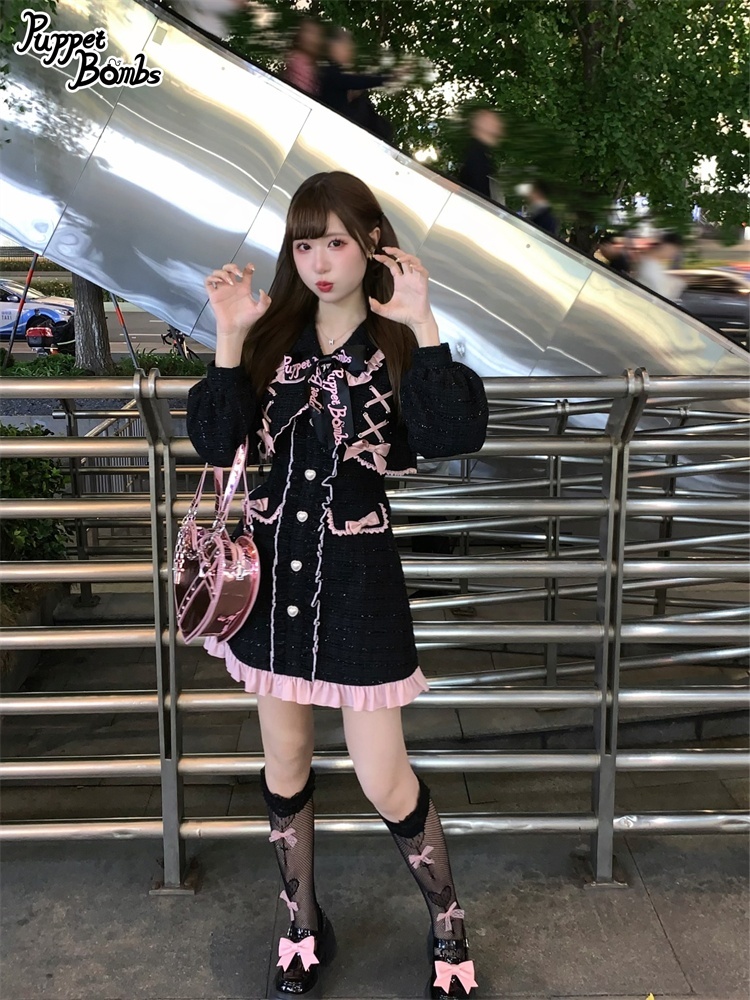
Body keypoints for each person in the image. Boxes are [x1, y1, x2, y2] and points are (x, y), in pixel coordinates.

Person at [186, 171, 488, 999]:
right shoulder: (269, 337)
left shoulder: (396, 341)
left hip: (359, 587)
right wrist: (228, 336)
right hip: (269, 585)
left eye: (337, 242)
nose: (319, 262)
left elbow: (454, 433)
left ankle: (449, 923)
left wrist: (423, 321)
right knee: (284, 762)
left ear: (371, 244)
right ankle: (300, 923)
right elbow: (216, 442)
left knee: (383, 775)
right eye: (304, 244)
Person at [319, 27, 391, 118]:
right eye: (346, 47)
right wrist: (388, 77)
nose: (350, 53)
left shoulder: (331, 70)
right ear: (334, 47)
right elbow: (359, 81)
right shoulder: (331, 71)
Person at [458, 108, 504, 200]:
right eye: (494, 124)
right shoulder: (477, 157)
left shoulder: (479, 153)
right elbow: (480, 195)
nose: (499, 129)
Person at [634, 232, 685, 300]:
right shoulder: (650, 267)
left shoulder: (653, 263)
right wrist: (680, 283)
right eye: (674, 250)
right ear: (667, 246)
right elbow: (663, 295)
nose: (674, 254)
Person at [282, 18, 323, 97]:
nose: (314, 39)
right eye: (310, 33)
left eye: (317, 34)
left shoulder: (312, 62)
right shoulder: (299, 60)